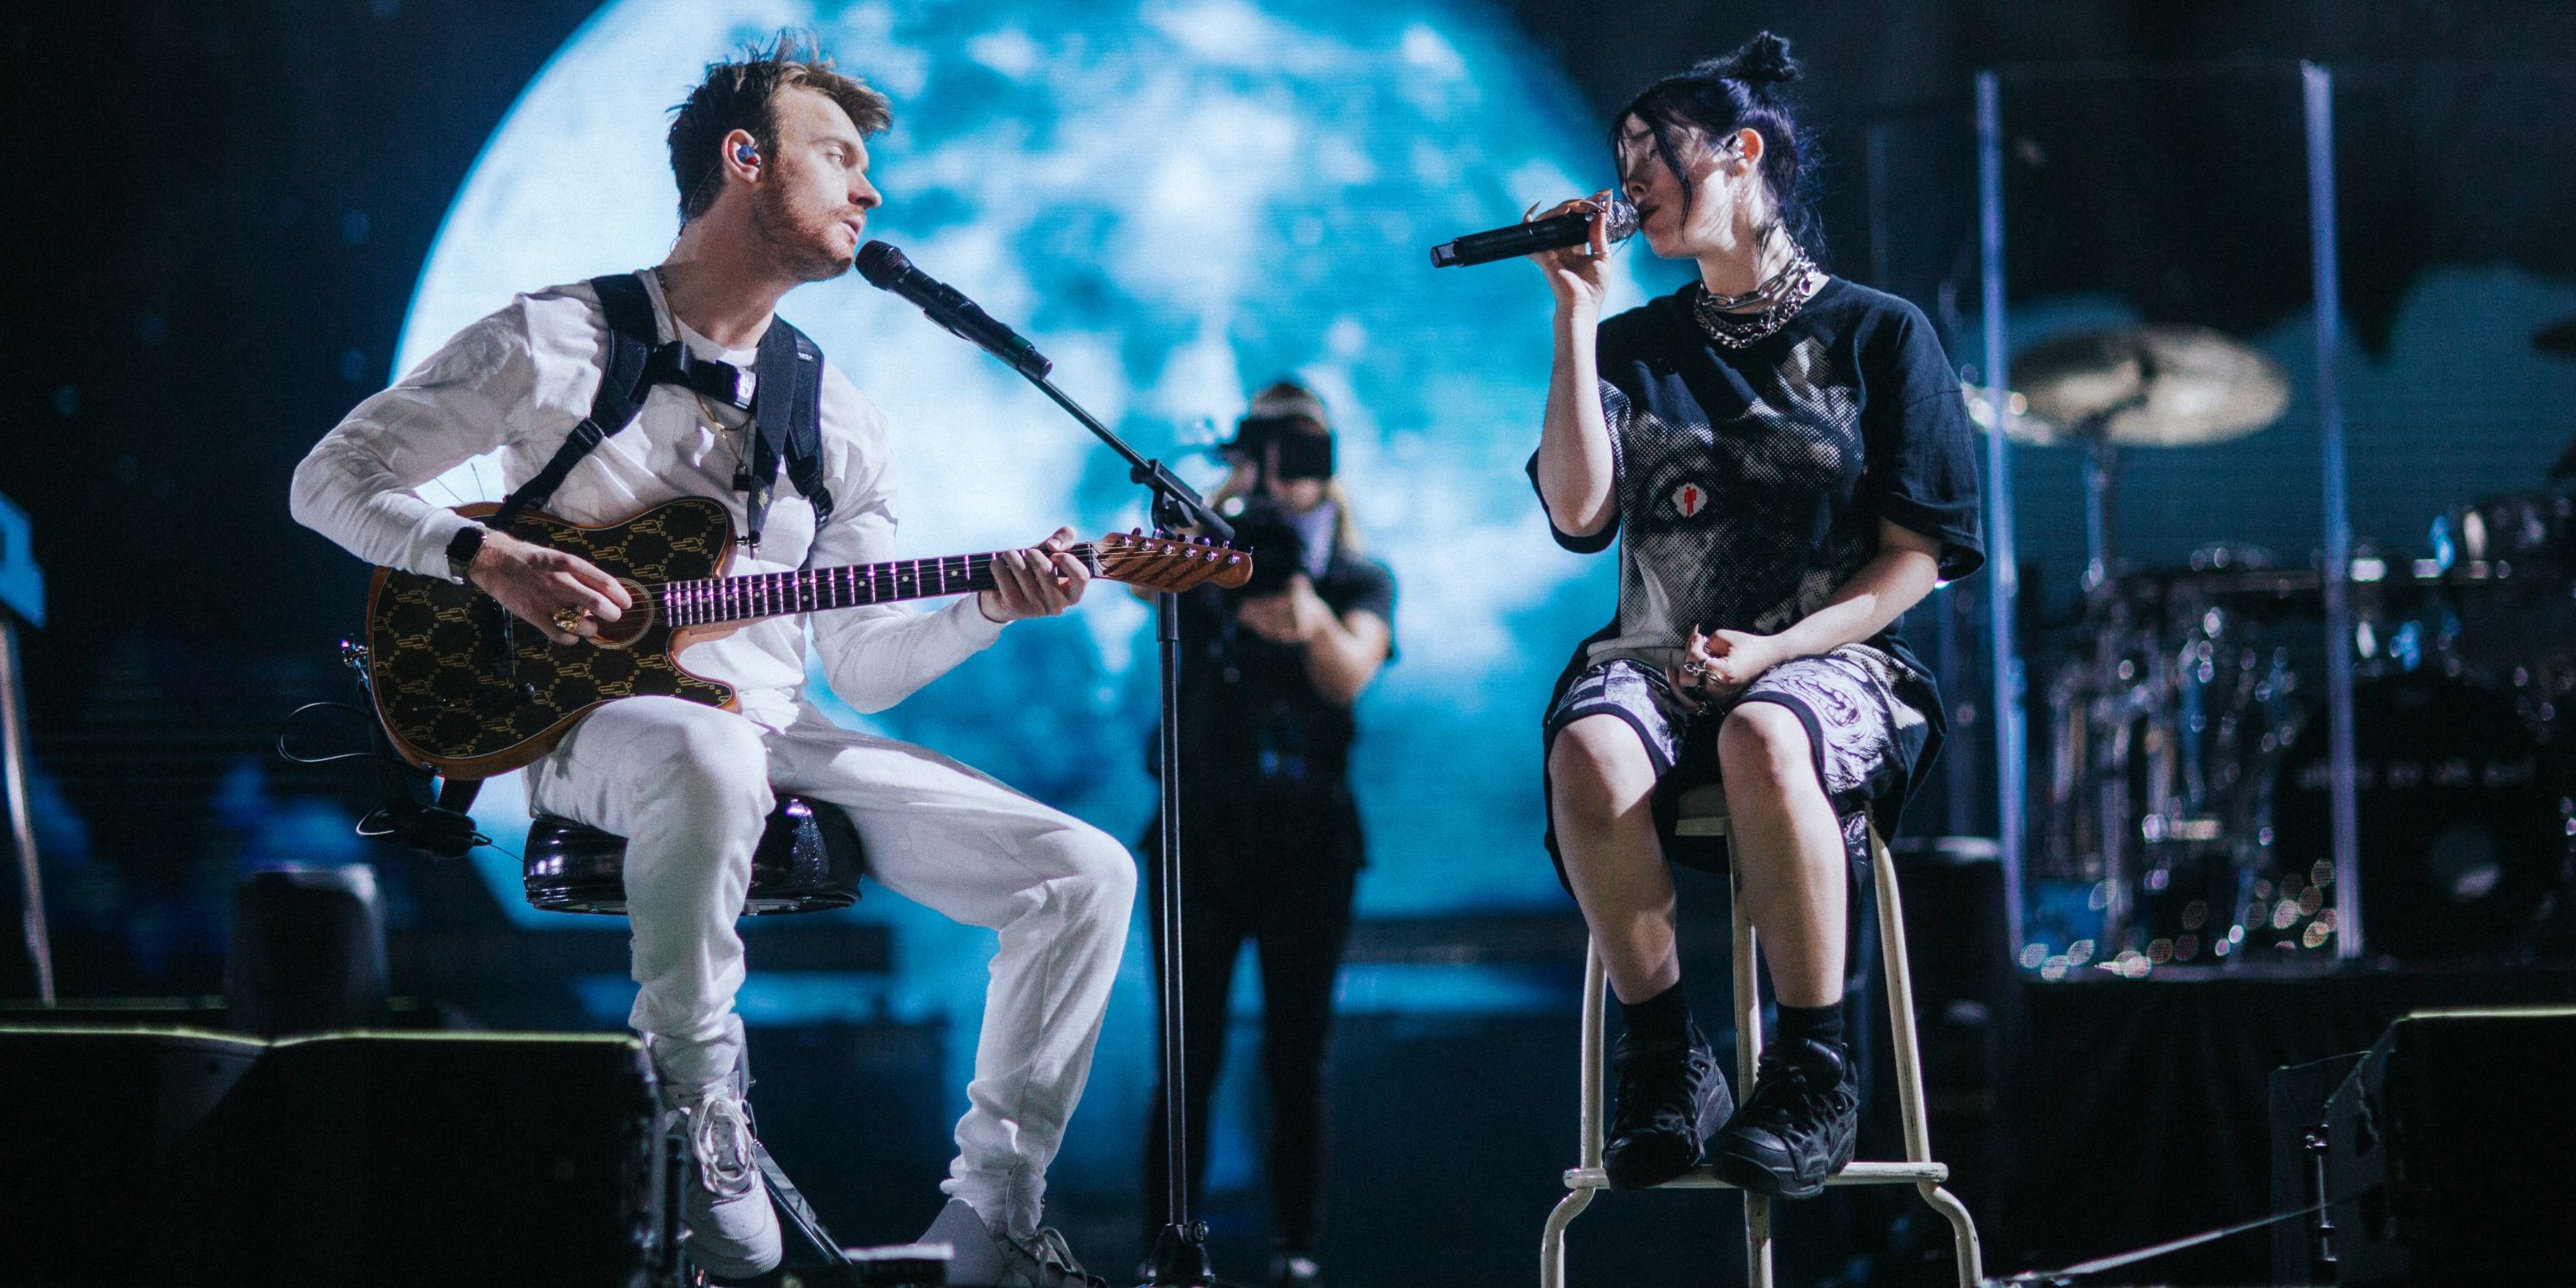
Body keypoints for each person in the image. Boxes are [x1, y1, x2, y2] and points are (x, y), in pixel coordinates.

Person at [290, 34, 1131, 1287]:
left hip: (777, 720)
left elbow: (870, 664)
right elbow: (329, 479)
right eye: (837, 157)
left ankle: (995, 1206)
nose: (871, 190)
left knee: (1084, 871)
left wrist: (995, 608)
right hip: (586, 721)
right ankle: (697, 1105)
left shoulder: (837, 412)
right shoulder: (555, 338)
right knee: (706, 748)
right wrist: (485, 557)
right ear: (744, 161)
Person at [1524, 32, 1984, 1201]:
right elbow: (1579, 516)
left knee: (1766, 734)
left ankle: (1814, 1066)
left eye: (1653, 153)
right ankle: (1667, 1060)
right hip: (1658, 650)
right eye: (1618, 156)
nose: (1629, 182)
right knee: (1587, 739)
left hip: (1828, 662)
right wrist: (1577, 318)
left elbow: (1914, 563)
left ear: (1739, 153)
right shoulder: (1631, 345)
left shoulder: (1882, 335)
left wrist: (1779, 649)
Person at [1137, 383, 1394, 1288]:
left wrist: (1302, 599)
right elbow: (1134, 578)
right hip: (1199, 831)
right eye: (1270, 446)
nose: (1288, 468)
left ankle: (1296, 1250)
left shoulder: (1357, 576)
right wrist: (1227, 509)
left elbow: (1348, 674)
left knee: (1298, 1054)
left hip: (1309, 841)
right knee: (1187, 1052)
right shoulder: (1204, 562)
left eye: (1302, 449)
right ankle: (1167, 1248)